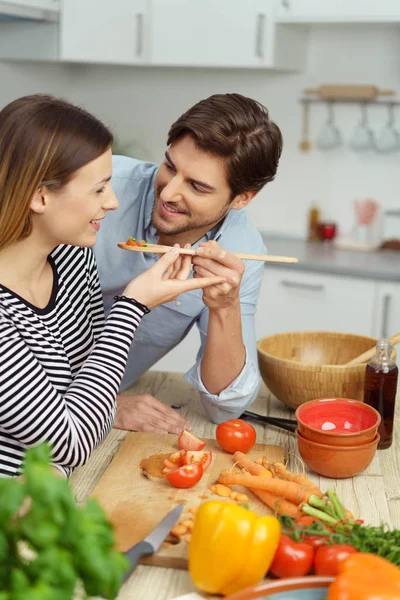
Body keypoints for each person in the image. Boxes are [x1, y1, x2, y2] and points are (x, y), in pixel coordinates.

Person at [0, 94, 226, 478]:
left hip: (49, 498)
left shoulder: (71, 259)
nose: (113, 202)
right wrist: (132, 305)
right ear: (40, 196)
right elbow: (71, 441)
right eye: (99, 189)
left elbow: (82, 390)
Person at [95, 93, 283, 432]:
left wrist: (225, 307)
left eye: (197, 186)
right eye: (169, 166)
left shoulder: (241, 251)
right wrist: (104, 406)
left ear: (242, 198)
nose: (167, 193)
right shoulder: (102, 186)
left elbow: (226, 406)